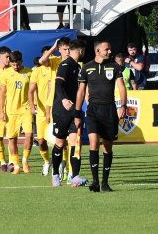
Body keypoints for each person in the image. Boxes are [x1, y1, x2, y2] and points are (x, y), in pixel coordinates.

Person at [76, 40, 127, 192]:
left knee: (107, 147)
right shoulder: (86, 68)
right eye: (107, 49)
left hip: (109, 110)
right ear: (98, 51)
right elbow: (81, 91)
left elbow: (122, 87)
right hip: (92, 111)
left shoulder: (115, 67)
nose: (110, 52)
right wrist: (77, 112)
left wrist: (123, 105)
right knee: (93, 143)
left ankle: (105, 183)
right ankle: (95, 182)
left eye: (110, 49)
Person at [49, 38, 88, 187]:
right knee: (60, 142)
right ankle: (55, 175)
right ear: (80, 50)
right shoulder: (65, 64)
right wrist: (64, 99)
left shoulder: (78, 67)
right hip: (61, 110)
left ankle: (75, 176)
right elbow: (58, 84)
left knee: (75, 142)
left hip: (74, 110)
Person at [0, 52, 34, 175]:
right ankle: (16, 165)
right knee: (12, 139)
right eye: (13, 64)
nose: (15, 67)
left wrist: (33, 105)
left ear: (21, 61)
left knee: (29, 135)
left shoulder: (29, 72)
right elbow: (2, 94)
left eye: (17, 64)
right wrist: (1, 111)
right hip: (11, 111)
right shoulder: (6, 74)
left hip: (25, 109)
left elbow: (33, 91)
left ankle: (25, 160)